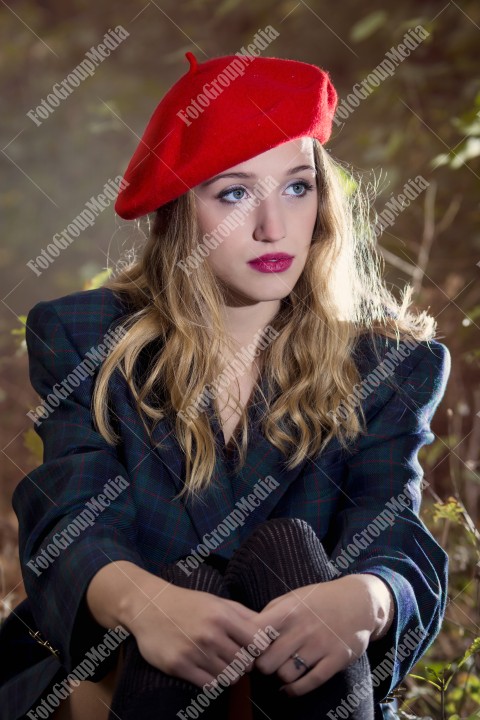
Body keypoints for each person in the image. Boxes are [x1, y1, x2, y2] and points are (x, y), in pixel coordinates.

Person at [0, 51, 450, 720]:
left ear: (323, 201)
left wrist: (367, 596)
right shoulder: (86, 336)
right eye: (235, 193)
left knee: (288, 550)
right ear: (183, 212)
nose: (274, 227)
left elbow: (392, 527)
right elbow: (73, 518)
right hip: (118, 682)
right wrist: (146, 604)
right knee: (188, 585)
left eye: (297, 187)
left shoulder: (389, 366)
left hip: (298, 695)